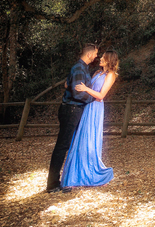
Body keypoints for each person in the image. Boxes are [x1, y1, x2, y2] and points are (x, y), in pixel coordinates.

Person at [60, 50, 119, 188]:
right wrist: (72, 83)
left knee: (90, 139)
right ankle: (77, 175)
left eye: (103, 57)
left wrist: (86, 89)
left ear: (109, 60)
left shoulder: (111, 75)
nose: (100, 59)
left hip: (96, 109)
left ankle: (93, 173)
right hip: (87, 106)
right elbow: (83, 86)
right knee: (80, 139)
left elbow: (101, 95)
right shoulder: (97, 73)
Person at [46, 43, 98, 193]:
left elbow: (69, 84)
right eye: (95, 54)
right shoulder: (79, 68)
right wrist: (94, 99)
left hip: (73, 109)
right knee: (62, 146)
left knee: (67, 145)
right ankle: (52, 184)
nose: (96, 56)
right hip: (71, 110)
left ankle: (65, 179)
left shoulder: (82, 69)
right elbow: (78, 94)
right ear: (89, 54)